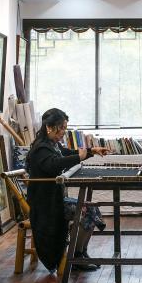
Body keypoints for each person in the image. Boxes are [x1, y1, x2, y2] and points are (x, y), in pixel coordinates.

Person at [25, 108, 110, 274]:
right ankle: (76, 257)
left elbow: (67, 154)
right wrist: (79, 157)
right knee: (86, 210)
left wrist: (91, 151)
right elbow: (54, 165)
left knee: (90, 207)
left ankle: (80, 254)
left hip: (54, 199)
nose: (64, 132)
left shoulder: (52, 145)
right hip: (46, 205)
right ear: (49, 127)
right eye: (62, 128)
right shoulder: (41, 148)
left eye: (65, 128)